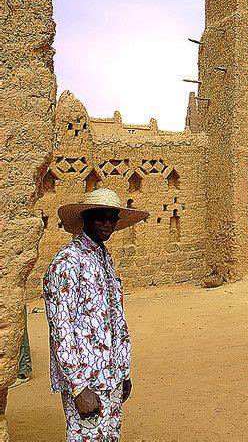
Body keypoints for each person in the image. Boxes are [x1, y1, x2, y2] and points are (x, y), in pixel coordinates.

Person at [43, 188, 149, 441]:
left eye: (112, 218)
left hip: (111, 374)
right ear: (85, 219)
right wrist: (78, 387)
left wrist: (123, 372)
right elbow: (61, 329)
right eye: (101, 217)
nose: (108, 224)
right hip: (87, 380)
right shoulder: (67, 262)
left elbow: (114, 319)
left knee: (110, 436)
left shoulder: (102, 256)